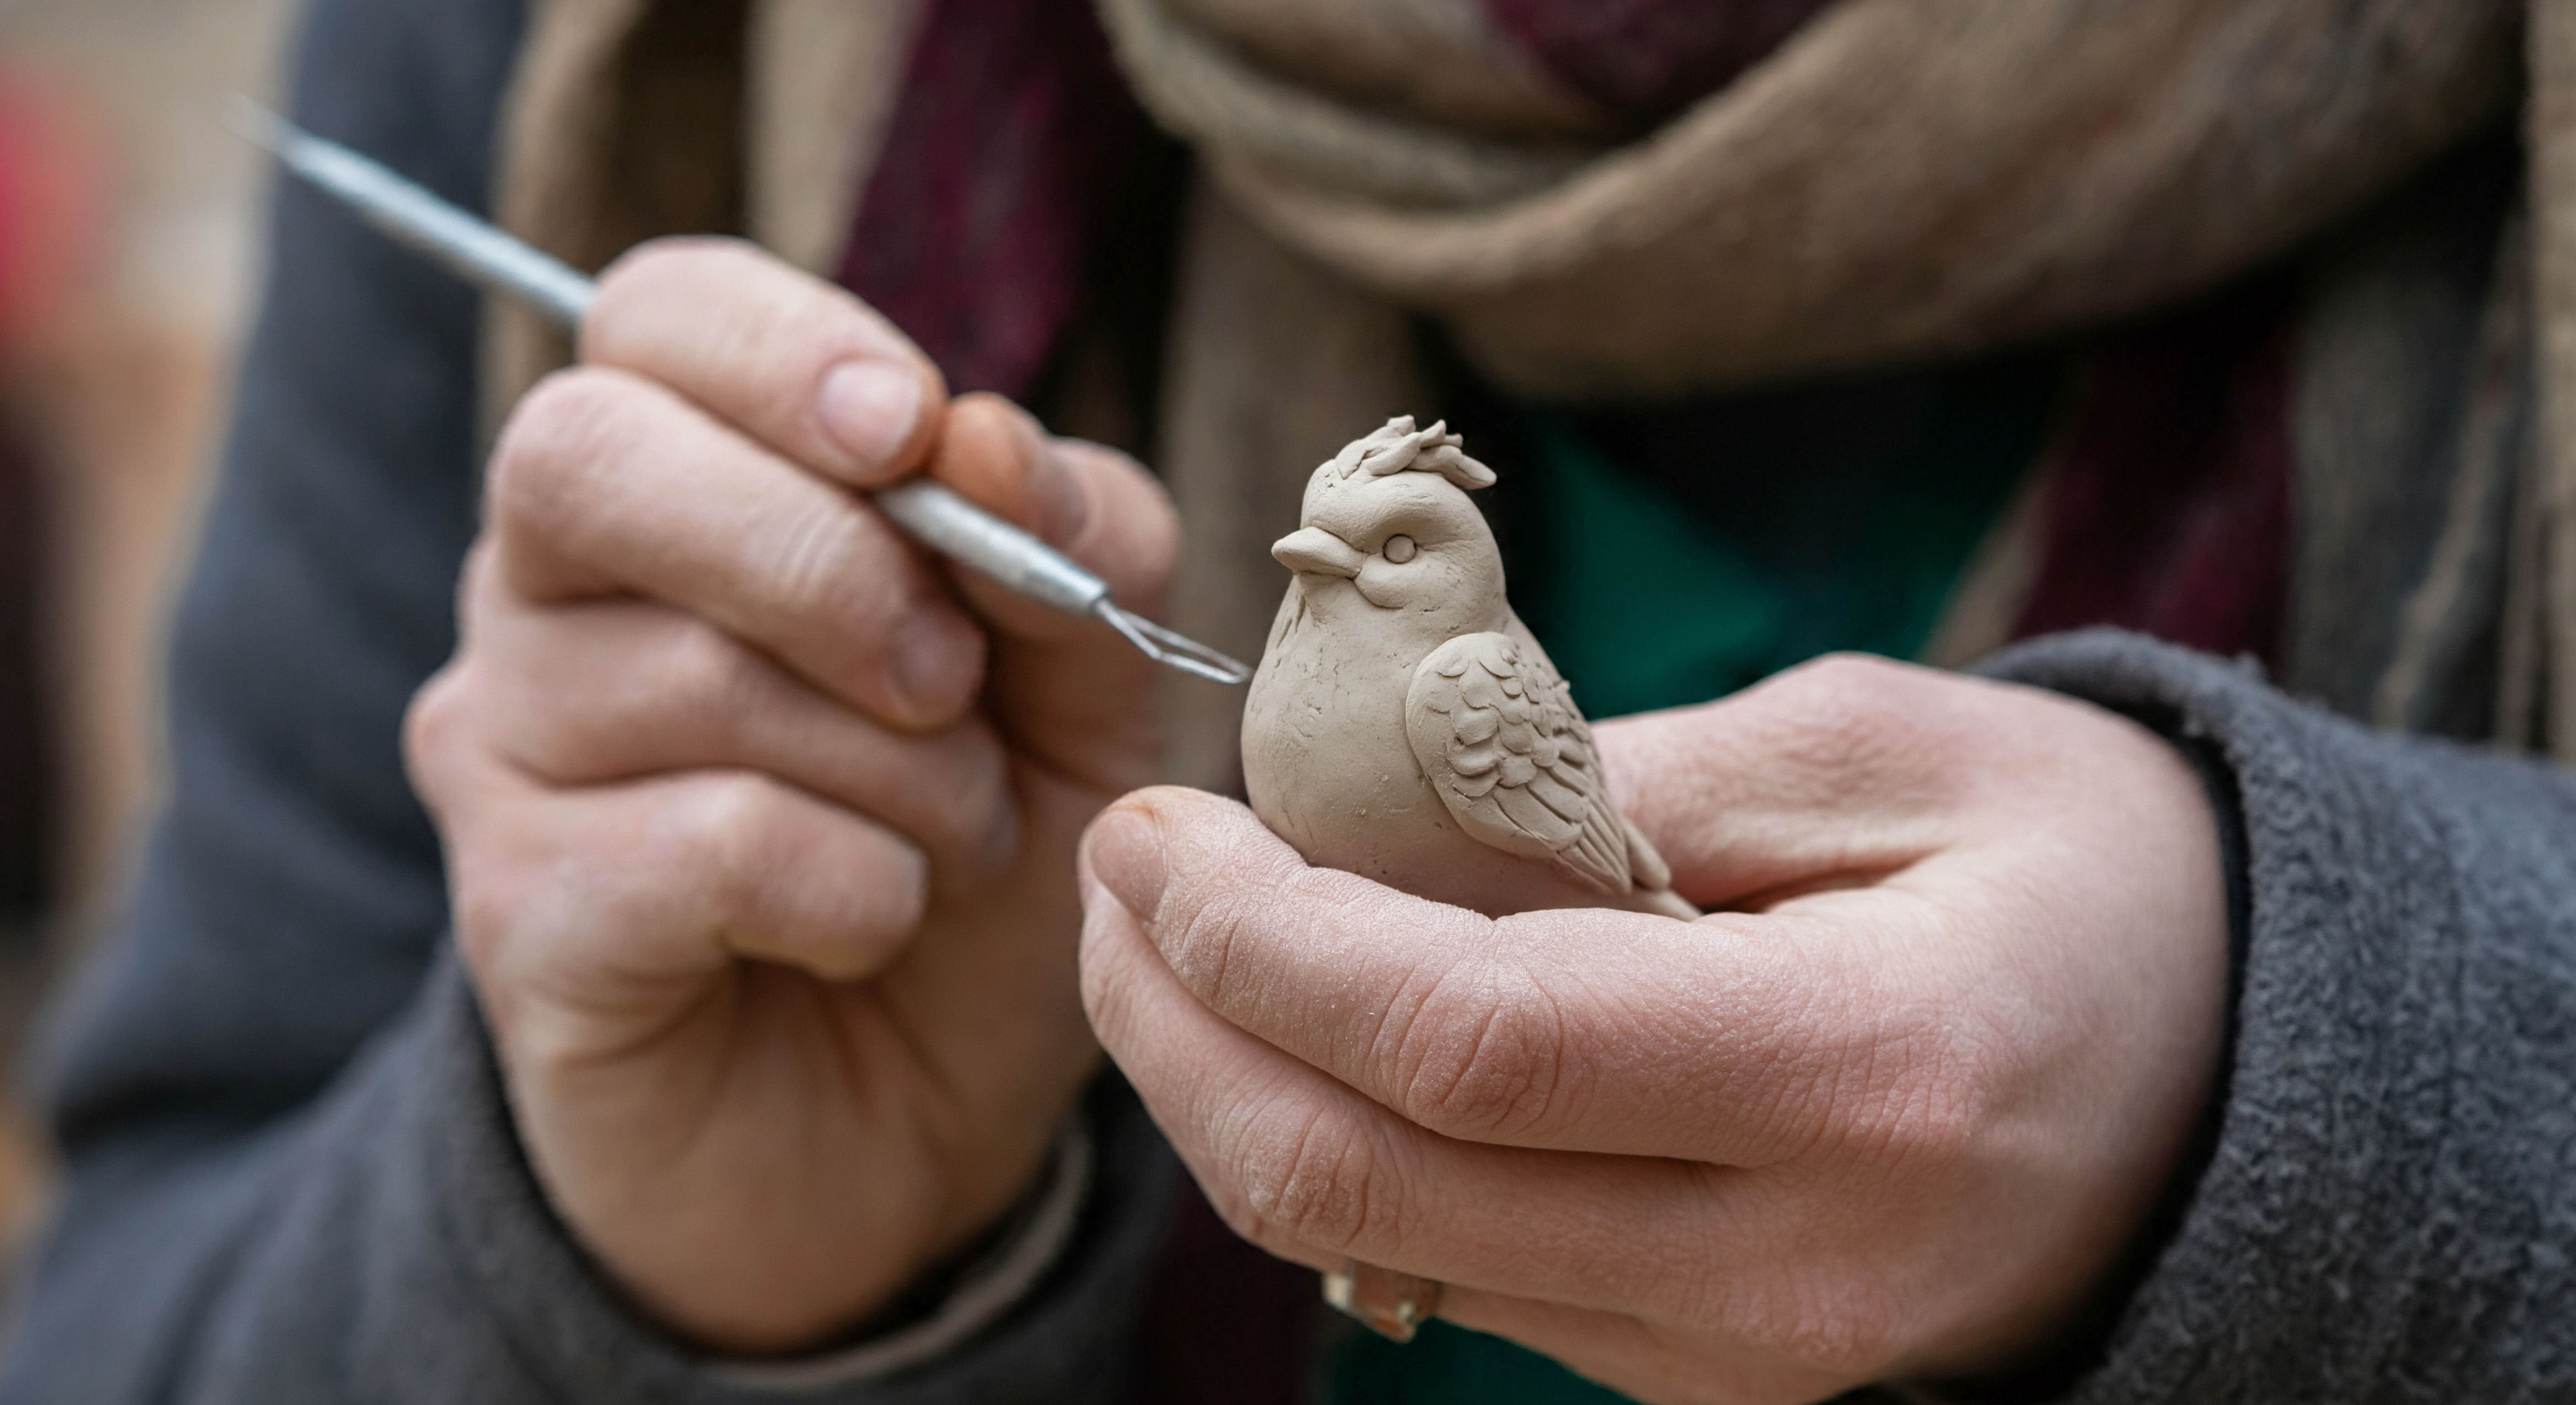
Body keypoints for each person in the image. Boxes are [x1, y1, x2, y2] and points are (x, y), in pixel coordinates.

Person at [2, 0, 2571, 1401]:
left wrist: (2324, 1075)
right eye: (1330, 548)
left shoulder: (1472, 712)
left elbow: (1584, 838)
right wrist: (621, 1260)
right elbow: (118, 1326)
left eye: (1385, 550)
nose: (1326, 574)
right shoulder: (554, 44)